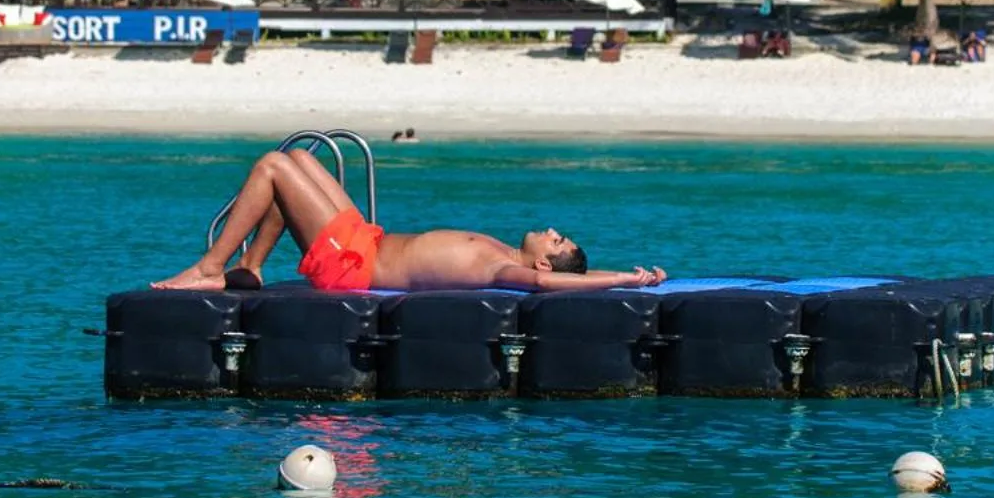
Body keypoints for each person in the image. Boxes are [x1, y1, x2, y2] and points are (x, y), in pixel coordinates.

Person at [152, 148, 667, 293]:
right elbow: (549, 274)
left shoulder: (502, 270)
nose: (553, 231)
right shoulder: (500, 250)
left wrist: (623, 279)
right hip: (364, 239)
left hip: (353, 268)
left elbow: (542, 286)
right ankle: (253, 267)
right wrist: (632, 274)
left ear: (545, 262)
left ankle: (210, 268)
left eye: (557, 241)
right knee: (303, 158)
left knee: (272, 166)